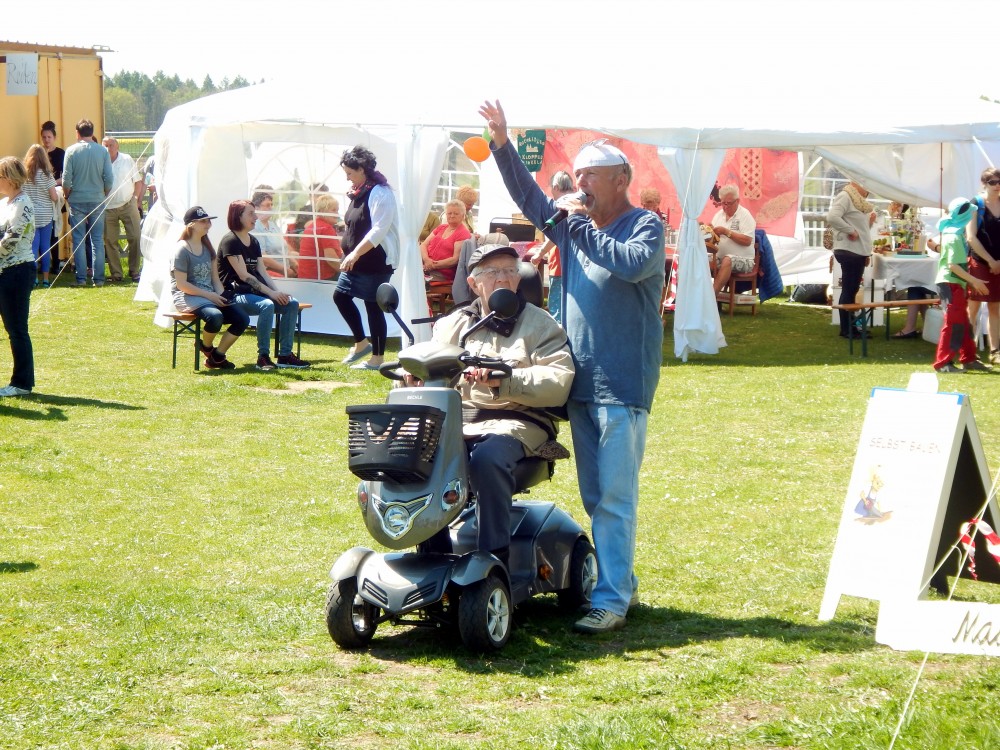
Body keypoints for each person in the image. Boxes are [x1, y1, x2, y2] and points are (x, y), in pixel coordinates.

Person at [480, 100, 665, 634]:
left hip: (622, 385)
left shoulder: (644, 227)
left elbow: (630, 265)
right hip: (579, 385)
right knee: (595, 496)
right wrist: (501, 143)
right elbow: (529, 198)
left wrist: (575, 226)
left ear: (622, 179)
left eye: (592, 176)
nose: (580, 183)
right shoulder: (572, 226)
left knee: (614, 496)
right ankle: (613, 585)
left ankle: (612, 598)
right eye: (577, 174)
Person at [424, 244, 575, 561]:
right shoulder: (454, 324)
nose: (503, 278)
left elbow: (560, 381)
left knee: (487, 459)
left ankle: (495, 558)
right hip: (460, 420)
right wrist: (413, 377)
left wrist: (505, 381)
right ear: (474, 283)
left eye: (510, 270)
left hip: (519, 421)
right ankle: (432, 556)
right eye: (493, 272)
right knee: (421, 456)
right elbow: (430, 365)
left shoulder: (541, 324)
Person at [217, 199, 311, 370]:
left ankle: (285, 356)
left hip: (253, 293)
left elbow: (262, 271)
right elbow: (244, 275)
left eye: (255, 213)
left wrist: (277, 292)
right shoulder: (230, 241)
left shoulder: (253, 241)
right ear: (238, 217)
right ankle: (263, 357)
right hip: (234, 295)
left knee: (292, 304)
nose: (255, 217)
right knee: (266, 305)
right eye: (251, 214)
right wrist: (271, 294)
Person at [335, 145, 400, 370]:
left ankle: (377, 359)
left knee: (373, 306)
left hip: (375, 260)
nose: (347, 178)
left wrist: (354, 253)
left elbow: (379, 230)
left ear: (362, 169)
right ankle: (362, 343)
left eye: (350, 173)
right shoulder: (359, 191)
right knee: (340, 296)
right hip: (357, 259)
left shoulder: (380, 192)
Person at [170, 206, 249, 370]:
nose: (208, 225)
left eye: (208, 221)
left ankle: (217, 356)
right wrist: (210, 296)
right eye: (203, 221)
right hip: (187, 296)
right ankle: (206, 347)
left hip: (208, 296)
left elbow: (215, 279)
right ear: (191, 224)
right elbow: (182, 285)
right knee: (215, 317)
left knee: (242, 318)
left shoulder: (208, 249)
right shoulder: (181, 250)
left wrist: (222, 295)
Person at [933, 197, 992, 373]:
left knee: (964, 323)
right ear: (965, 215)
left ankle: (969, 358)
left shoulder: (955, 234)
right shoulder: (953, 237)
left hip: (954, 283)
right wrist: (974, 280)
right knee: (953, 323)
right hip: (950, 284)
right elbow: (953, 265)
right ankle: (943, 363)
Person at [0, 157, 37, 397]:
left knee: (17, 329)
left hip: (18, 271)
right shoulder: (5, 202)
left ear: (11, 179)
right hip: (4, 271)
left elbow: (12, 239)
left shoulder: (23, 203)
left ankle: (22, 383)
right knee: (12, 328)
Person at [62, 119, 113, 287]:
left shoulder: (71, 151)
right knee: (97, 240)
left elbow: (66, 180)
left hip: (77, 199)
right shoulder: (103, 151)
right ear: (92, 131)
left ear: (77, 133)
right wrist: (103, 194)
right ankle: (98, 279)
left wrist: (67, 195)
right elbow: (109, 179)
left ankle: (81, 278)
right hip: (97, 199)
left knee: (79, 239)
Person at [827, 180, 876, 339]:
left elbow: (861, 230)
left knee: (851, 289)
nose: (867, 189)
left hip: (856, 250)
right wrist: (850, 230)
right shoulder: (845, 196)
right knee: (849, 289)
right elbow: (833, 217)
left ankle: (850, 327)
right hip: (849, 250)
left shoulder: (859, 202)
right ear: (855, 184)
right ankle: (847, 329)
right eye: (865, 185)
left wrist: (868, 225)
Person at [527, 170, 574, 324]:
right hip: (572, 265)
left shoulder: (561, 206)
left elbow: (556, 236)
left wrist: (539, 253)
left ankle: (557, 340)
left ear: (555, 186)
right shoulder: (576, 204)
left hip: (561, 265)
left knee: (557, 308)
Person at [966, 168, 1000, 363]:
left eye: (999, 182)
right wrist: (990, 261)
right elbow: (971, 237)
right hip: (979, 261)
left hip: (998, 264)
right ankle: (969, 350)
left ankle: (995, 351)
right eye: (993, 182)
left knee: (995, 307)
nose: (997, 186)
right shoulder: (975, 204)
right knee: (973, 307)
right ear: (984, 184)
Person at [101, 137, 144, 282]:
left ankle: (134, 271)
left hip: (128, 204)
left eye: (111, 145)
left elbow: (137, 181)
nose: (108, 148)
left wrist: (136, 199)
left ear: (117, 146)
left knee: (135, 237)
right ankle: (116, 274)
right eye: (105, 145)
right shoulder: (100, 161)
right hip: (108, 208)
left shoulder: (127, 159)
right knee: (110, 240)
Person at [22, 145, 58, 288]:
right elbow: (54, 197)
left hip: (30, 215)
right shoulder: (46, 175)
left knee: (33, 247)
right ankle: (46, 279)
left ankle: (34, 278)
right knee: (45, 247)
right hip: (46, 215)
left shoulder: (25, 175)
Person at [710, 185, 756, 295]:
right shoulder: (718, 216)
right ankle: (695, 296)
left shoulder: (745, 215)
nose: (725, 206)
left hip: (745, 260)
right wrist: (709, 233)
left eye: (728, 203)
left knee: (728, 259)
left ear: (737, 201)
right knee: (700, 259)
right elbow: (712, 241)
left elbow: (747, 240)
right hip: (720, 257)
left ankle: (711, 298)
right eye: (723, 203)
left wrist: (727, 232)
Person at [420, 199, 471, 283]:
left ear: (463, 216)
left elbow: (455, 260)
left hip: (442, 273)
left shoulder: (463, 233)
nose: (452, 216)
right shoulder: (441, 227)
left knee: (415, 281)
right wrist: (426, 260)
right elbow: (423, 245)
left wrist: (432, 265)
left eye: (456, 213)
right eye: (449, 213)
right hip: (426, 267)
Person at [250, 185, 297, 277]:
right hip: (273, 276)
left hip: (285, 273)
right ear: (256, 207)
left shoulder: (272, 225)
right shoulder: (255, 227)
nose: (271, 207)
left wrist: (295, 264)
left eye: (272, 204)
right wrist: (286, 271)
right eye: (267, 205)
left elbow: (285, 249)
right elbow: (263, 258)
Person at [40, 121, 65, 276]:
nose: (47, 140)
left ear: (54, 137)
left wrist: (52, 184)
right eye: (44, 137)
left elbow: (66, 177)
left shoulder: (61, 154)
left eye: (49, 137)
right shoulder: (39, 154)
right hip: (41, 197)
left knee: (53, 233)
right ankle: (43, 263)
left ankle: (56, 263)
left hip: (55, 195)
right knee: (42, 232)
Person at [297, 193, 343, 280]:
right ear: (322, 211)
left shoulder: (313, 226)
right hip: (321, 278)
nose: (337, 214)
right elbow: (331, 259)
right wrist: (346, 273)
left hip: (305, 277)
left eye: (337, 210)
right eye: (333, 210)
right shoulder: (326, 228)